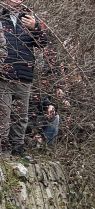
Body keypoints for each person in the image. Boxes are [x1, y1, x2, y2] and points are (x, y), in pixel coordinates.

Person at [0, 0, 48, 157]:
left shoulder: (29, 19)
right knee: (3, 116)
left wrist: (35, 28)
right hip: (4, 75)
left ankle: (18, 149)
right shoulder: (1, 18)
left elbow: (43, 43)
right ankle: (3, 152)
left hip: (24, 75)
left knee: (21, 117)